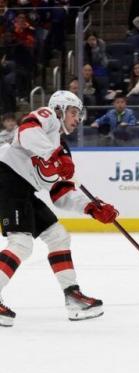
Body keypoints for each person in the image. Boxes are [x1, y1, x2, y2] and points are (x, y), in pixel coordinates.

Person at [0, 91, 119, 326]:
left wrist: (91, 208)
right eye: (74, 113)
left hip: (22, 189)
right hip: (5, 177)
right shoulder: (48, 119)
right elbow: (26, 130)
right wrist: (53, 155)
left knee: (58, 236)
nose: (77, 119)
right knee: (21, 243)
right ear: (60, 110)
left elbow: (60, 193)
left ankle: (72, 296)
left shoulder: (62, 148)